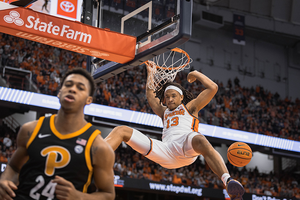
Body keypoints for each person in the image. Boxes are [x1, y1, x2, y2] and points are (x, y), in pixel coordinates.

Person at [105, 67, 244, 200]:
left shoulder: (191, 107)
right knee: (121, 130)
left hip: (186, 146)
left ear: (181, 97)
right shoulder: (163, 112)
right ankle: (94, 156)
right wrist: (150, 73)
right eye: (167, 97)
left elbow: (213, 88)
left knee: (200, 139)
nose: (170, 99)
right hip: (166, 151)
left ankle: (228, 181)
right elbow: (151, 96)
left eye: (173, 96)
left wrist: (196, 73)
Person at [0, 68, 115, 200]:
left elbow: (108, 195)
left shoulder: (99, 147)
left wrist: (79, 197)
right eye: (68, 85)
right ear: (59, 93)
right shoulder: (30, 129)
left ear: (89, 100)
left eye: (80, 88)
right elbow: (13, 167)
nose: (72, 89)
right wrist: (4, 180)